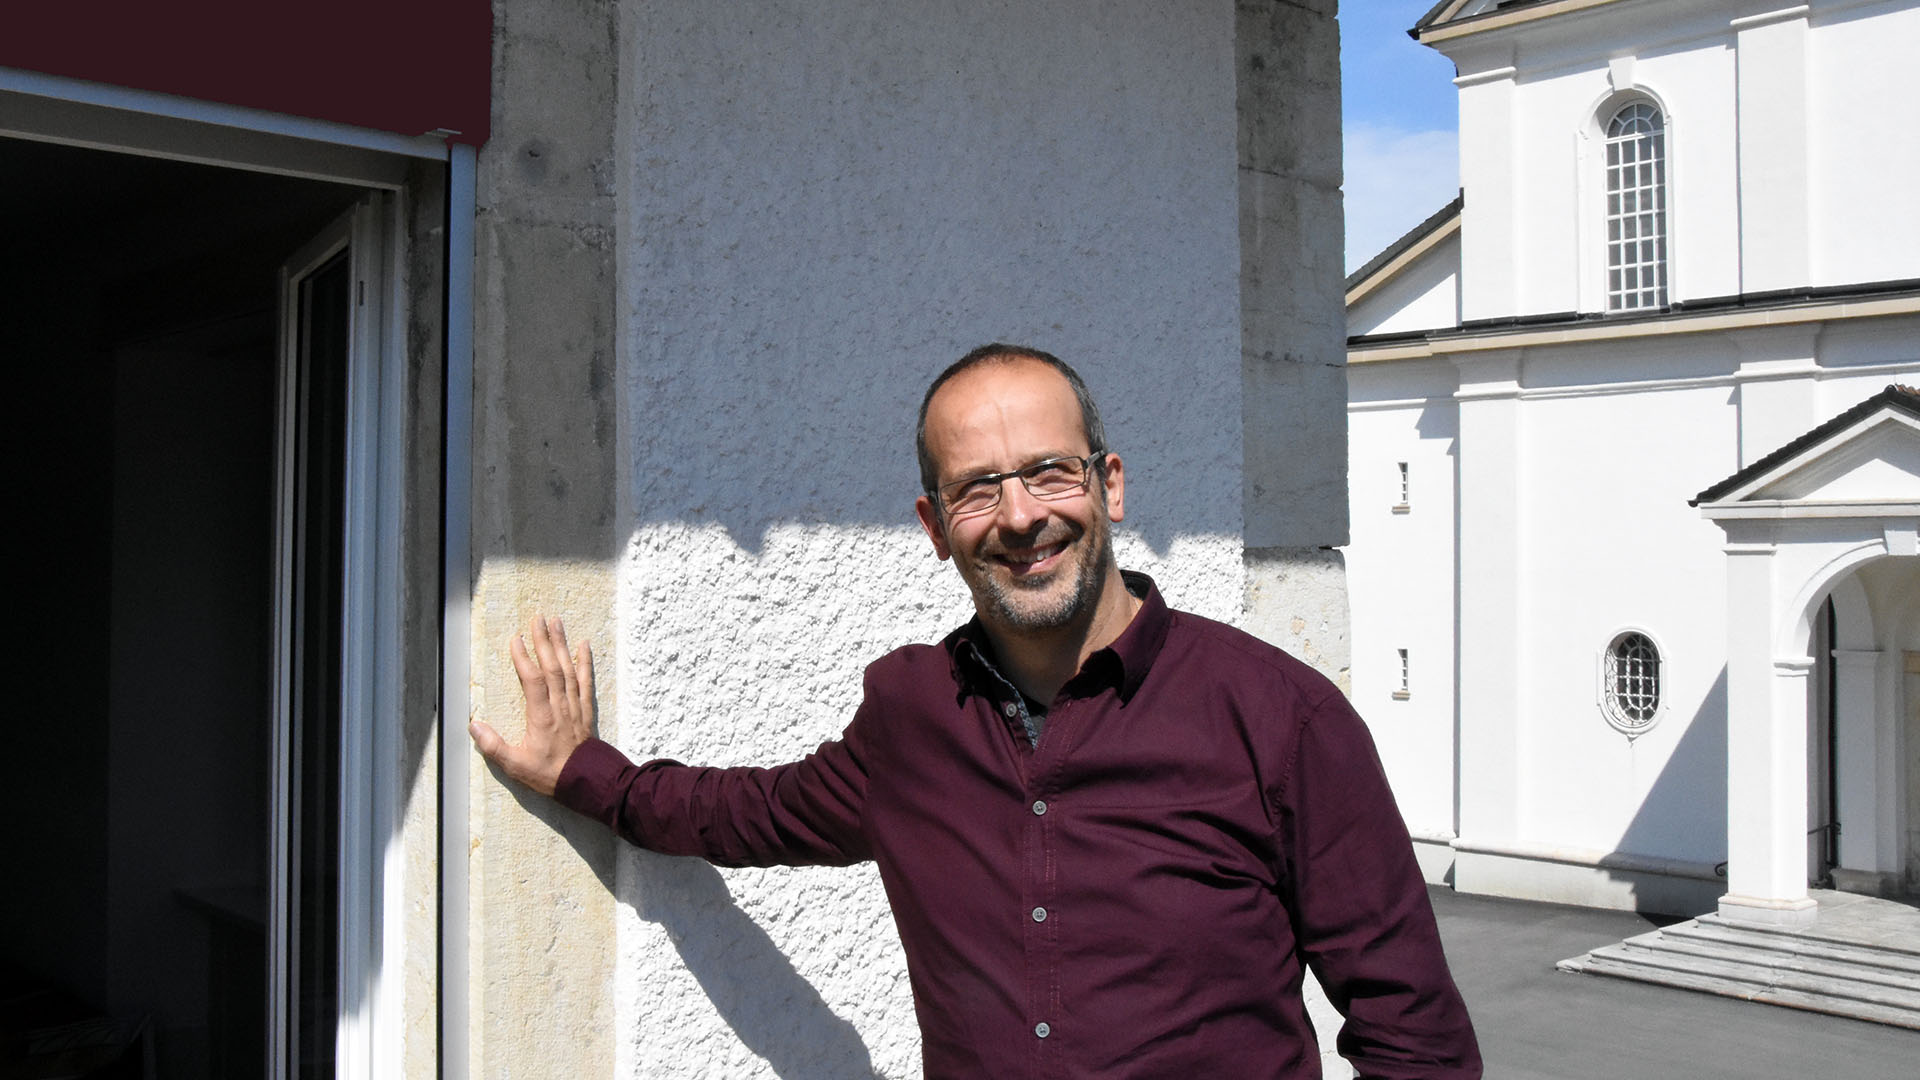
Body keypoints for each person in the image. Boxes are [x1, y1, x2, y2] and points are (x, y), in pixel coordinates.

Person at [469, 343, 1481, 1079]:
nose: (1023, 517)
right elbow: (749, 812)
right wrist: (580, 772)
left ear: (1110, 485)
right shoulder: (912, 716)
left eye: (1051, 472)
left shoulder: (1278, 717)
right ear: (934, 528)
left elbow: (1415, 1037)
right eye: (978, 489)